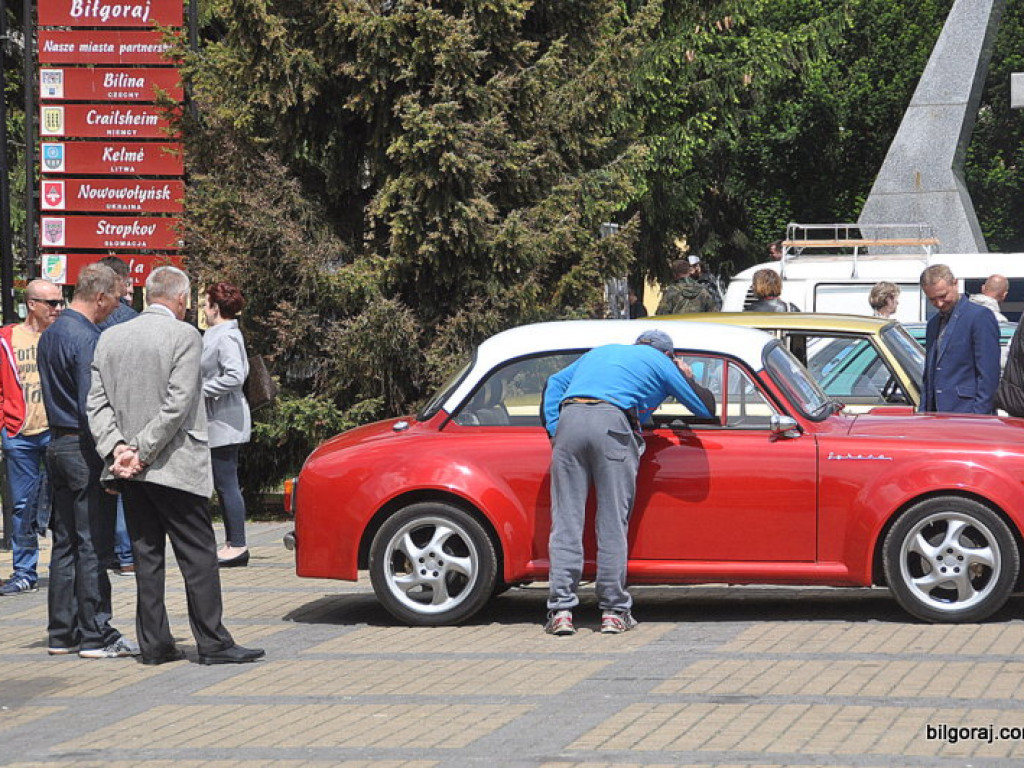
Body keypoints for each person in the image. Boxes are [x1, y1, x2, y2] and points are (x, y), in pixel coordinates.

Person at [88, 266, 264, 666]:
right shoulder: (185, 335)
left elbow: (95, 404)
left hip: (128, 469)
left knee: (146, 556)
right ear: (181, 299)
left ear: (150, 295)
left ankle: (153, 644)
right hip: (172, 465)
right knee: (198, 555)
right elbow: (180, 402)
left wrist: (117, 448)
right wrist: (142, 451)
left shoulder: (110, 337)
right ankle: (213, 643)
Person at [541, 330, 714, 636]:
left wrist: (556, 432)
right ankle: (613, 611)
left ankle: (561, 611)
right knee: (611, 521)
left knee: (566, 520)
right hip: (612, 425)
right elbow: (705, 408)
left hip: (569, 422)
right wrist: (685, 376)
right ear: (669, 355)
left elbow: (554, 383)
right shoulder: (660, 362)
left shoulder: (602, 351)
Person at [38, 264, 138, 657]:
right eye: (114, 299)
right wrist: (112, 454)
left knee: (65, 543)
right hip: (83, 448)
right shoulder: (87, 338)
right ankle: (97, 633)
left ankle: (62, 633)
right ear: (99, 296)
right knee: (93, 541)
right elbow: (91, 404)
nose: (115, 308)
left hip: (57, 445)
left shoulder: (52, 333)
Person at [0, 280, 65, 596]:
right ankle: (24, 571)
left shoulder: (61, 335)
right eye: (51, 303)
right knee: (22, 506)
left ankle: (63, 569)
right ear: (32, 304)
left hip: (56, 432)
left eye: (60, 302)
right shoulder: (7, 338)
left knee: (63, 504)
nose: (58, 308)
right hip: (20, 434)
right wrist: (5, 425)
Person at [201, 282, 252, 567]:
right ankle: (234, 542)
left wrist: (201, 389)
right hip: (220, 419)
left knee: (226, 483)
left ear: (216, 307)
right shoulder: (219, 333)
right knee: (224, 482)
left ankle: (238, 544)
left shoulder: (226, 336)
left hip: (225, 421)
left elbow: (234, 377)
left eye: (206, 304)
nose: (204, 310)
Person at [97, 256, 139, 577]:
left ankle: (108, 552)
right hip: (128, 411)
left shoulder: (93, 320)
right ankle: (126, 555)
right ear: (124, 282)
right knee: (123, 481)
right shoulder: (133, 320)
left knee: (102, 487)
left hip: (96, 413)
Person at [919, 264, 1000, 414]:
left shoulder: (980, 317)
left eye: (943, 296)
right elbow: (928, 376)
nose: (939, 303)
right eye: (932, 299)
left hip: (968, 415)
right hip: (935, 417)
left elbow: (989, 376)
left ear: (955, 284)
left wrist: (978, 417)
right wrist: (922, 414)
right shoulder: (933, 324)